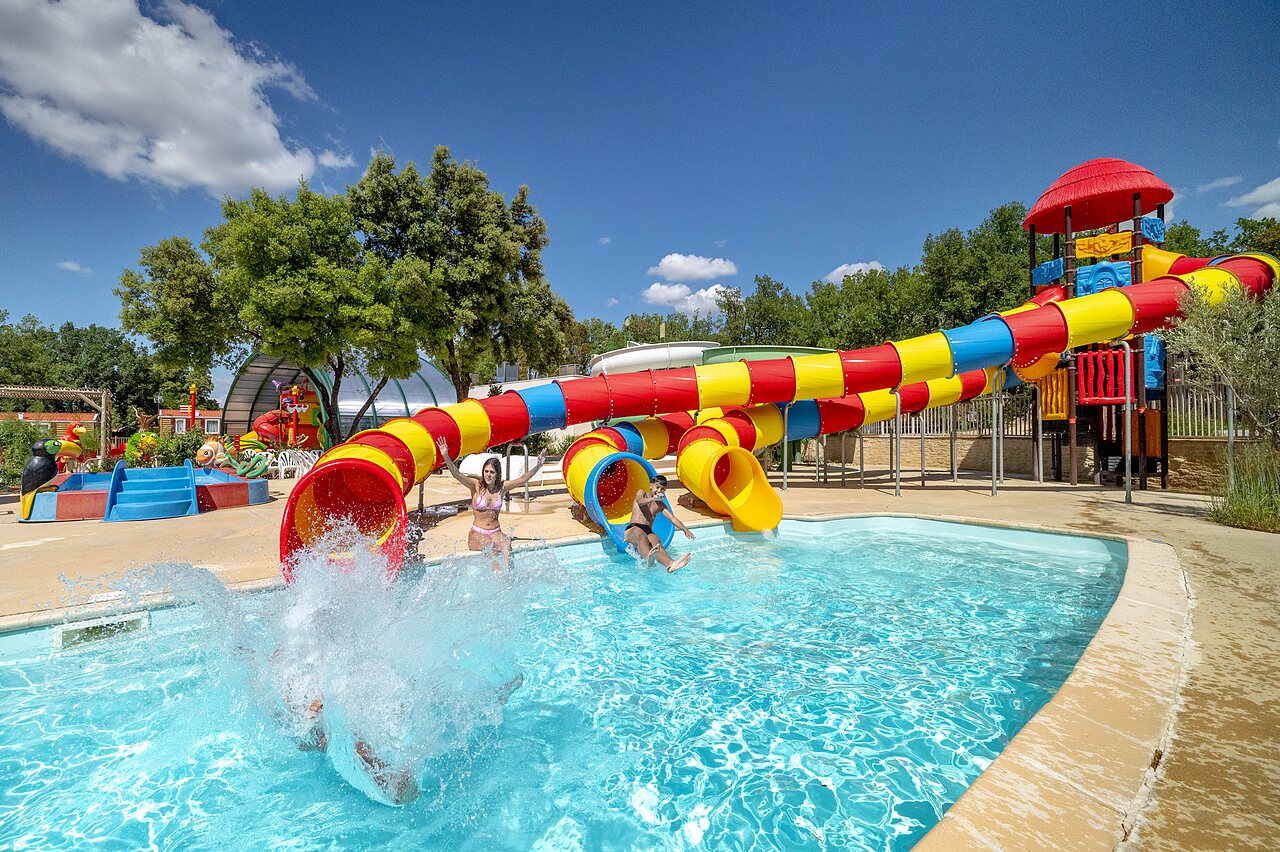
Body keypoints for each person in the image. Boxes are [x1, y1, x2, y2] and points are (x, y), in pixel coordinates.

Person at [437, 438, 546, 566]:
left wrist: (538, 465)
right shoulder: (476, 486)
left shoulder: (502, 488)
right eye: (486, 471)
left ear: (497, 474)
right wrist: (446, 456)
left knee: (506, 544)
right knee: (493, 547)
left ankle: (509, 575)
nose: (488, 475)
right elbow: (457, 474)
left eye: (492, 472)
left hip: (495, 531)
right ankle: (497, 576)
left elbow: (522, 479)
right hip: (477, 533)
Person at [624, 474, 695, 572]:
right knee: (641, 535)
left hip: (647, 530)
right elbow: (640, 502)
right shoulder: (642, 493)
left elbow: (673, 518)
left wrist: (685, 530)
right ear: (650, 486)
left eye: (662, 489)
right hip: (633, 527)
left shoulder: (660, 505)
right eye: (657, 487)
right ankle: (648, 558)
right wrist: (653, 499)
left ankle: (670, 564)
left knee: (655, 540)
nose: (659, 491)